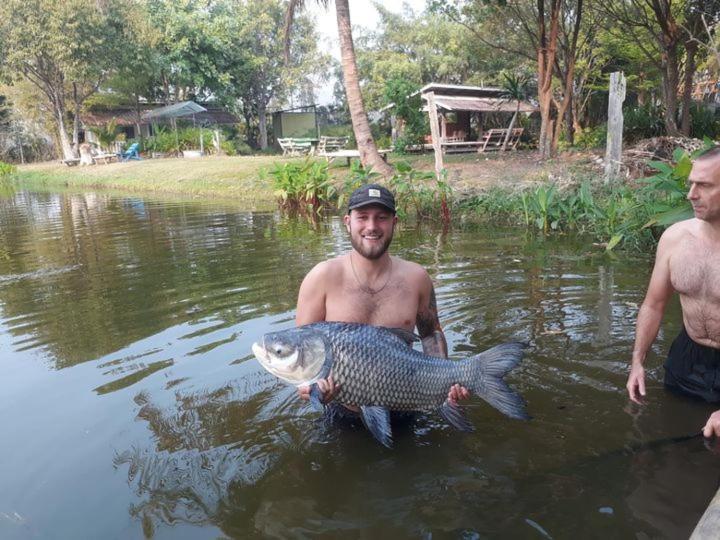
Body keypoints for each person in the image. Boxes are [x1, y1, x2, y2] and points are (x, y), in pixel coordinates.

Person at [295, 183, 469, 418]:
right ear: (347, 222)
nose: (372, 226)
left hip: (407, 403)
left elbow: (431, 335)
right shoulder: (321, 277)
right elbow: (300, 356)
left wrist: (444, 384)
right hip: (342, 409)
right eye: (363, 217)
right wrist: (309, 390)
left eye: (382, 218)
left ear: (394, 223)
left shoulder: (417, 278)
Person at [626, 147, 720, 437]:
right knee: (675, 437)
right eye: (691, 183)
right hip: (686, 358)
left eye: (704, 185)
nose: (691, 194)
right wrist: (637, 362)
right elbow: (654, 304)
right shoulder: (675, 238)